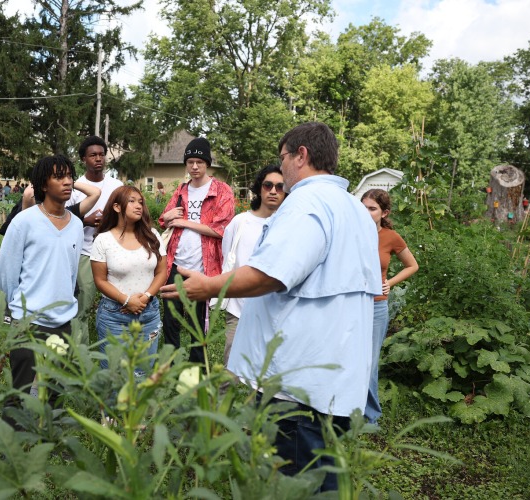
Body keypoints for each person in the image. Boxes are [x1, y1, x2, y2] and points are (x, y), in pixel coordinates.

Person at [159, 122, 381, 492]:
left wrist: (207, 286)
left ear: (301, 155)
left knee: (294, 483)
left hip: (296, 384)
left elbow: (272, 274)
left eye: (283, 158)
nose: (281, 171)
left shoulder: (307, 204)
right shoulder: (354, 210)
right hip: (336, 379)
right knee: (322, 477)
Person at [0, 155, 83, 395]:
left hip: (62, 323)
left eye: (69, 176)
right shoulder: (24, 222)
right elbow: (6, 274)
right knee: (20, 394)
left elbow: (71, 272)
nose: (67, 182)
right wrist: (22, 309)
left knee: (54, 395)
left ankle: (49, 433)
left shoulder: (76, 225)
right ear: (43, 185)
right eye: (59, 177)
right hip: (27, 323)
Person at [158, 136, 234, 365]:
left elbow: (222, 229)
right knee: (171, 321)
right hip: (174, 264)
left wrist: (184, 222)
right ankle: (169, 371)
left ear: (207, 164)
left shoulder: (222, 191)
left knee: (197, 324)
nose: (194, 167)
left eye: (199, 162)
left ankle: (197, 371)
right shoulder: (181, 190)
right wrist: (167, 218)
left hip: (202, 268)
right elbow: (165, 219)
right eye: (190, 162)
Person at [91, 186, 167, 376]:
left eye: (140, 202)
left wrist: (146, 297)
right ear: (117, 207)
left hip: (148, 313)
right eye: (132, 201)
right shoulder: (103, 240)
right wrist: (126, 300)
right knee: (114, 373)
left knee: (144, 371)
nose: (138, 206)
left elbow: (162, 272)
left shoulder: (152, 235)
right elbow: (100, 280)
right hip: (114, 316)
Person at [212, 164, 285, 364]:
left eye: (280, 187)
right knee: (231, 365)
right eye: (268, 185)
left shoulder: (288, 225)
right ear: (259, 188)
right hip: (239, 308)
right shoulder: (240, 222)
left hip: (275, 311)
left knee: (267, 370)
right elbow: (228, 258)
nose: (273, 191)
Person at [360, 189, 419, 424]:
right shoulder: (350, 233)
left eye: (372, 208)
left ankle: (370, 417)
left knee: (370, 361)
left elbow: (412, 265)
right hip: (351, 304)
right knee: (348, 357)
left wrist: (389, 283)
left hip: (376, 307)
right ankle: (341, 413)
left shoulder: (391, 237)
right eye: (363, 207)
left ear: (384, 213)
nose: (366, 212)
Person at [67, 136, 124, 322]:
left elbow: (127, 215)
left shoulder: (117, 186)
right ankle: (78, 348)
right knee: (83, 304)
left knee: (119, 302)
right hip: (85, 253)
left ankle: (115, 343)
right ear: (83, 159)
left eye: (101, 155)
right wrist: (85, 220)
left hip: (115, 250)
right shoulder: (74, 189)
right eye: (93, 155)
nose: (98, 159)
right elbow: (64, 220)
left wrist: (110, 220)